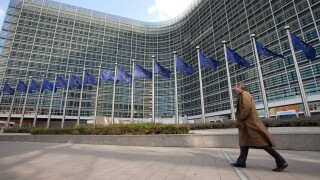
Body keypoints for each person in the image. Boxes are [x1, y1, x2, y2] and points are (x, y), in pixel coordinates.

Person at [231, 82, 288, 172]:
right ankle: (241, 162)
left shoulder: (244, 94)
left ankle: (281, 162)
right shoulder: (242, 95)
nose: (234, 88)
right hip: (246, 124)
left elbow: (246, 107)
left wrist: (241, 118)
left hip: (250, 123)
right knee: (244, 142)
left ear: (240, 87)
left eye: (235, 87)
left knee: (262, 142)